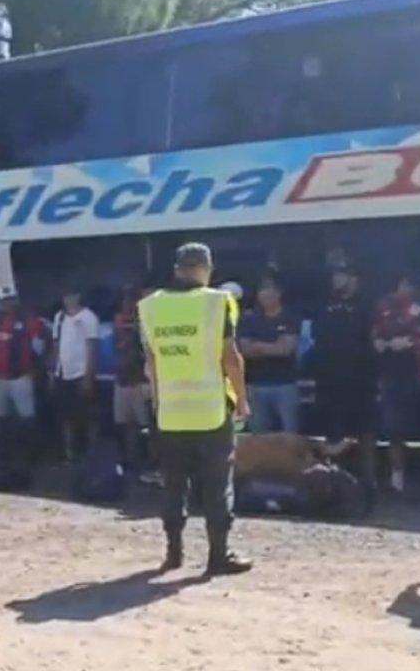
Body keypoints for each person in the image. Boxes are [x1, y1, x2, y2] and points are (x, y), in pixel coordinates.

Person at [139, 243, 252, 577]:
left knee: (173, 484)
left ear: (177, 269)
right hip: (210, 411)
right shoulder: (218, 302)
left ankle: (174, 553)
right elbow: (230, 357)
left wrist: (159, 404)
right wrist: (242, 399)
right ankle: (219, 555)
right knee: (217, 485)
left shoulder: (149, 307)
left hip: (170, 413)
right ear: (207, 268)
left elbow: (152, 362)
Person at [373, 272, 420, 493]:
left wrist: (411, 341)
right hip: (393, 377)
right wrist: (381, 342)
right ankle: (397, 483)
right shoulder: (384, 305)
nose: (402, 290)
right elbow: (376, 332)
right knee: (394, 432)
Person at [312, 265, 378, 493]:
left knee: (365, 433)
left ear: (355, 279)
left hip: (361, 381)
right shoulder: (324, 307)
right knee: (333, 434)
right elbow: (317, 340)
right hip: (330, 381)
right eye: (335, 275)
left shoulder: (367, 306)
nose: (337, 280)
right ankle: (335, 482)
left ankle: (369, 482)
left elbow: (373, 340)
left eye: (342, 275)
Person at [238, 276, 301, 434]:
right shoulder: (250, 319)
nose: (264, 295)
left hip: (285, 385)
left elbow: (285, 349)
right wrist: (273, 346)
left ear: (278, 293)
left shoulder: (290, 316)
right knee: (258, 434)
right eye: (261, 291)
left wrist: (258, 346)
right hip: (256, 385)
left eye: (268, 290)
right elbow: (245, 349)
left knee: (290, 433)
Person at [0, 289, 48, 457]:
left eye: (10, 300)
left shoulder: (29, 321)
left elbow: (40, 346)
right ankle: (3, 454)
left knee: (27, 418)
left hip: (21, 377)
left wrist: (35, 369)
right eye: (4, 300)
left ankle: (30, 455)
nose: (7, 304)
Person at [52, 286, 100, 461]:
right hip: (62, 373)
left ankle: (88, 454)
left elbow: (92, 348)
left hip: (80, 373)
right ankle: (68, 452)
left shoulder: (89, 317)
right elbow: (56, 344)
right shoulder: (59, 317)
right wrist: (53, 370)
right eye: (66, 296)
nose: (68, 299)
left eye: (72, 295)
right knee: (64, 415)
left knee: (84, 417)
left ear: (79, 296)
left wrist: (88, 376)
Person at [113, 285, 152, 471]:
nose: (127, 304)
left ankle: (147, 464)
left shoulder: (147, 322)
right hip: (122, 379)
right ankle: (130, 462)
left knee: (146, 427)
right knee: (124, 424)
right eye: (125, 300)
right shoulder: (119, 322)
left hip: (140, 380)